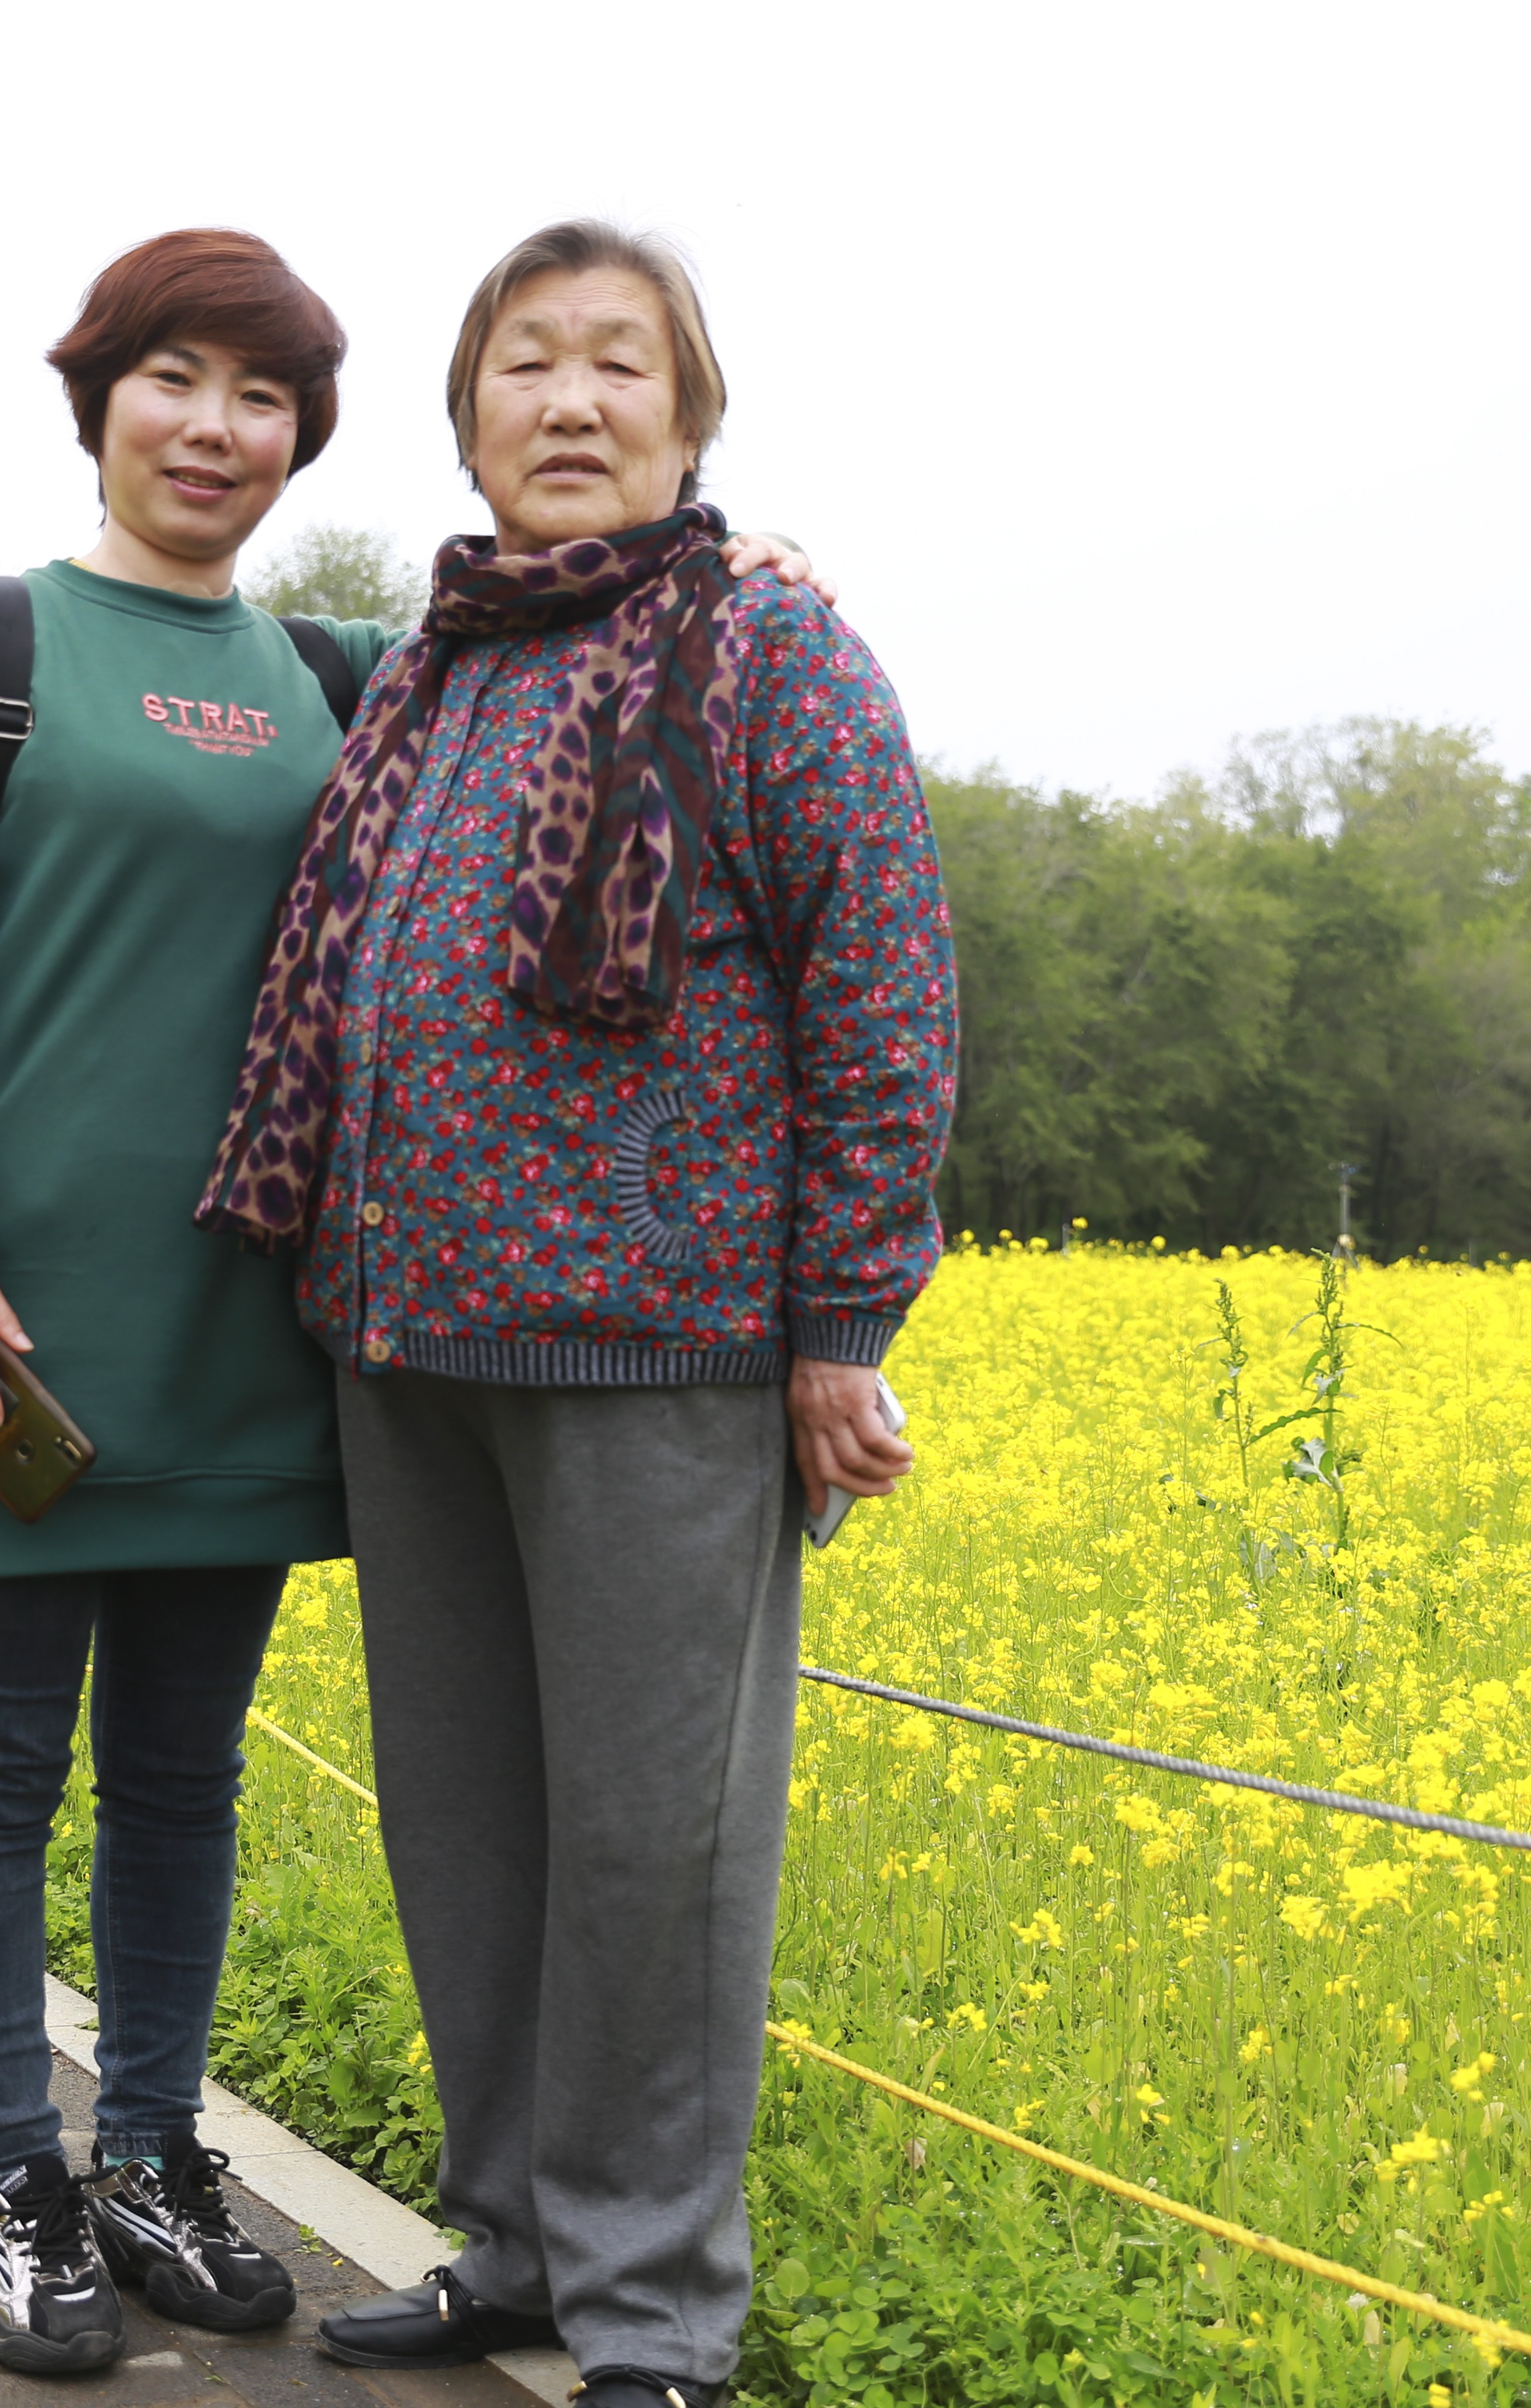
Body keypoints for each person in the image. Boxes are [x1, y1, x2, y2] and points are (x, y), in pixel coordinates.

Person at [0, 227, 824, 2379]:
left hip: (249, 1341)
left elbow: (598, 617)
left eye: (261, 398)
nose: (214, 429)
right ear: (99, 401)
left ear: (308, 442)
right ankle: (13, 2175)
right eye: (173, 381)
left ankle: (158, 2154)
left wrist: (760, 567)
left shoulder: (351, 676)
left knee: (185, 1781)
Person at [201, 220, 959, 2408]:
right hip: (409, 1345)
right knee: (468, 1831)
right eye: (525, 364)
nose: (570, 401)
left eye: (620, 366)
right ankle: (518, 2242)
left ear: (689, 421)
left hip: (669, 1356)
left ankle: (652, 2312)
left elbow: (886, 1007)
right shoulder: (427, 663)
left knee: (656, 1850)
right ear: (466, 422)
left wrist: (844, 1326)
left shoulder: (775, 655)